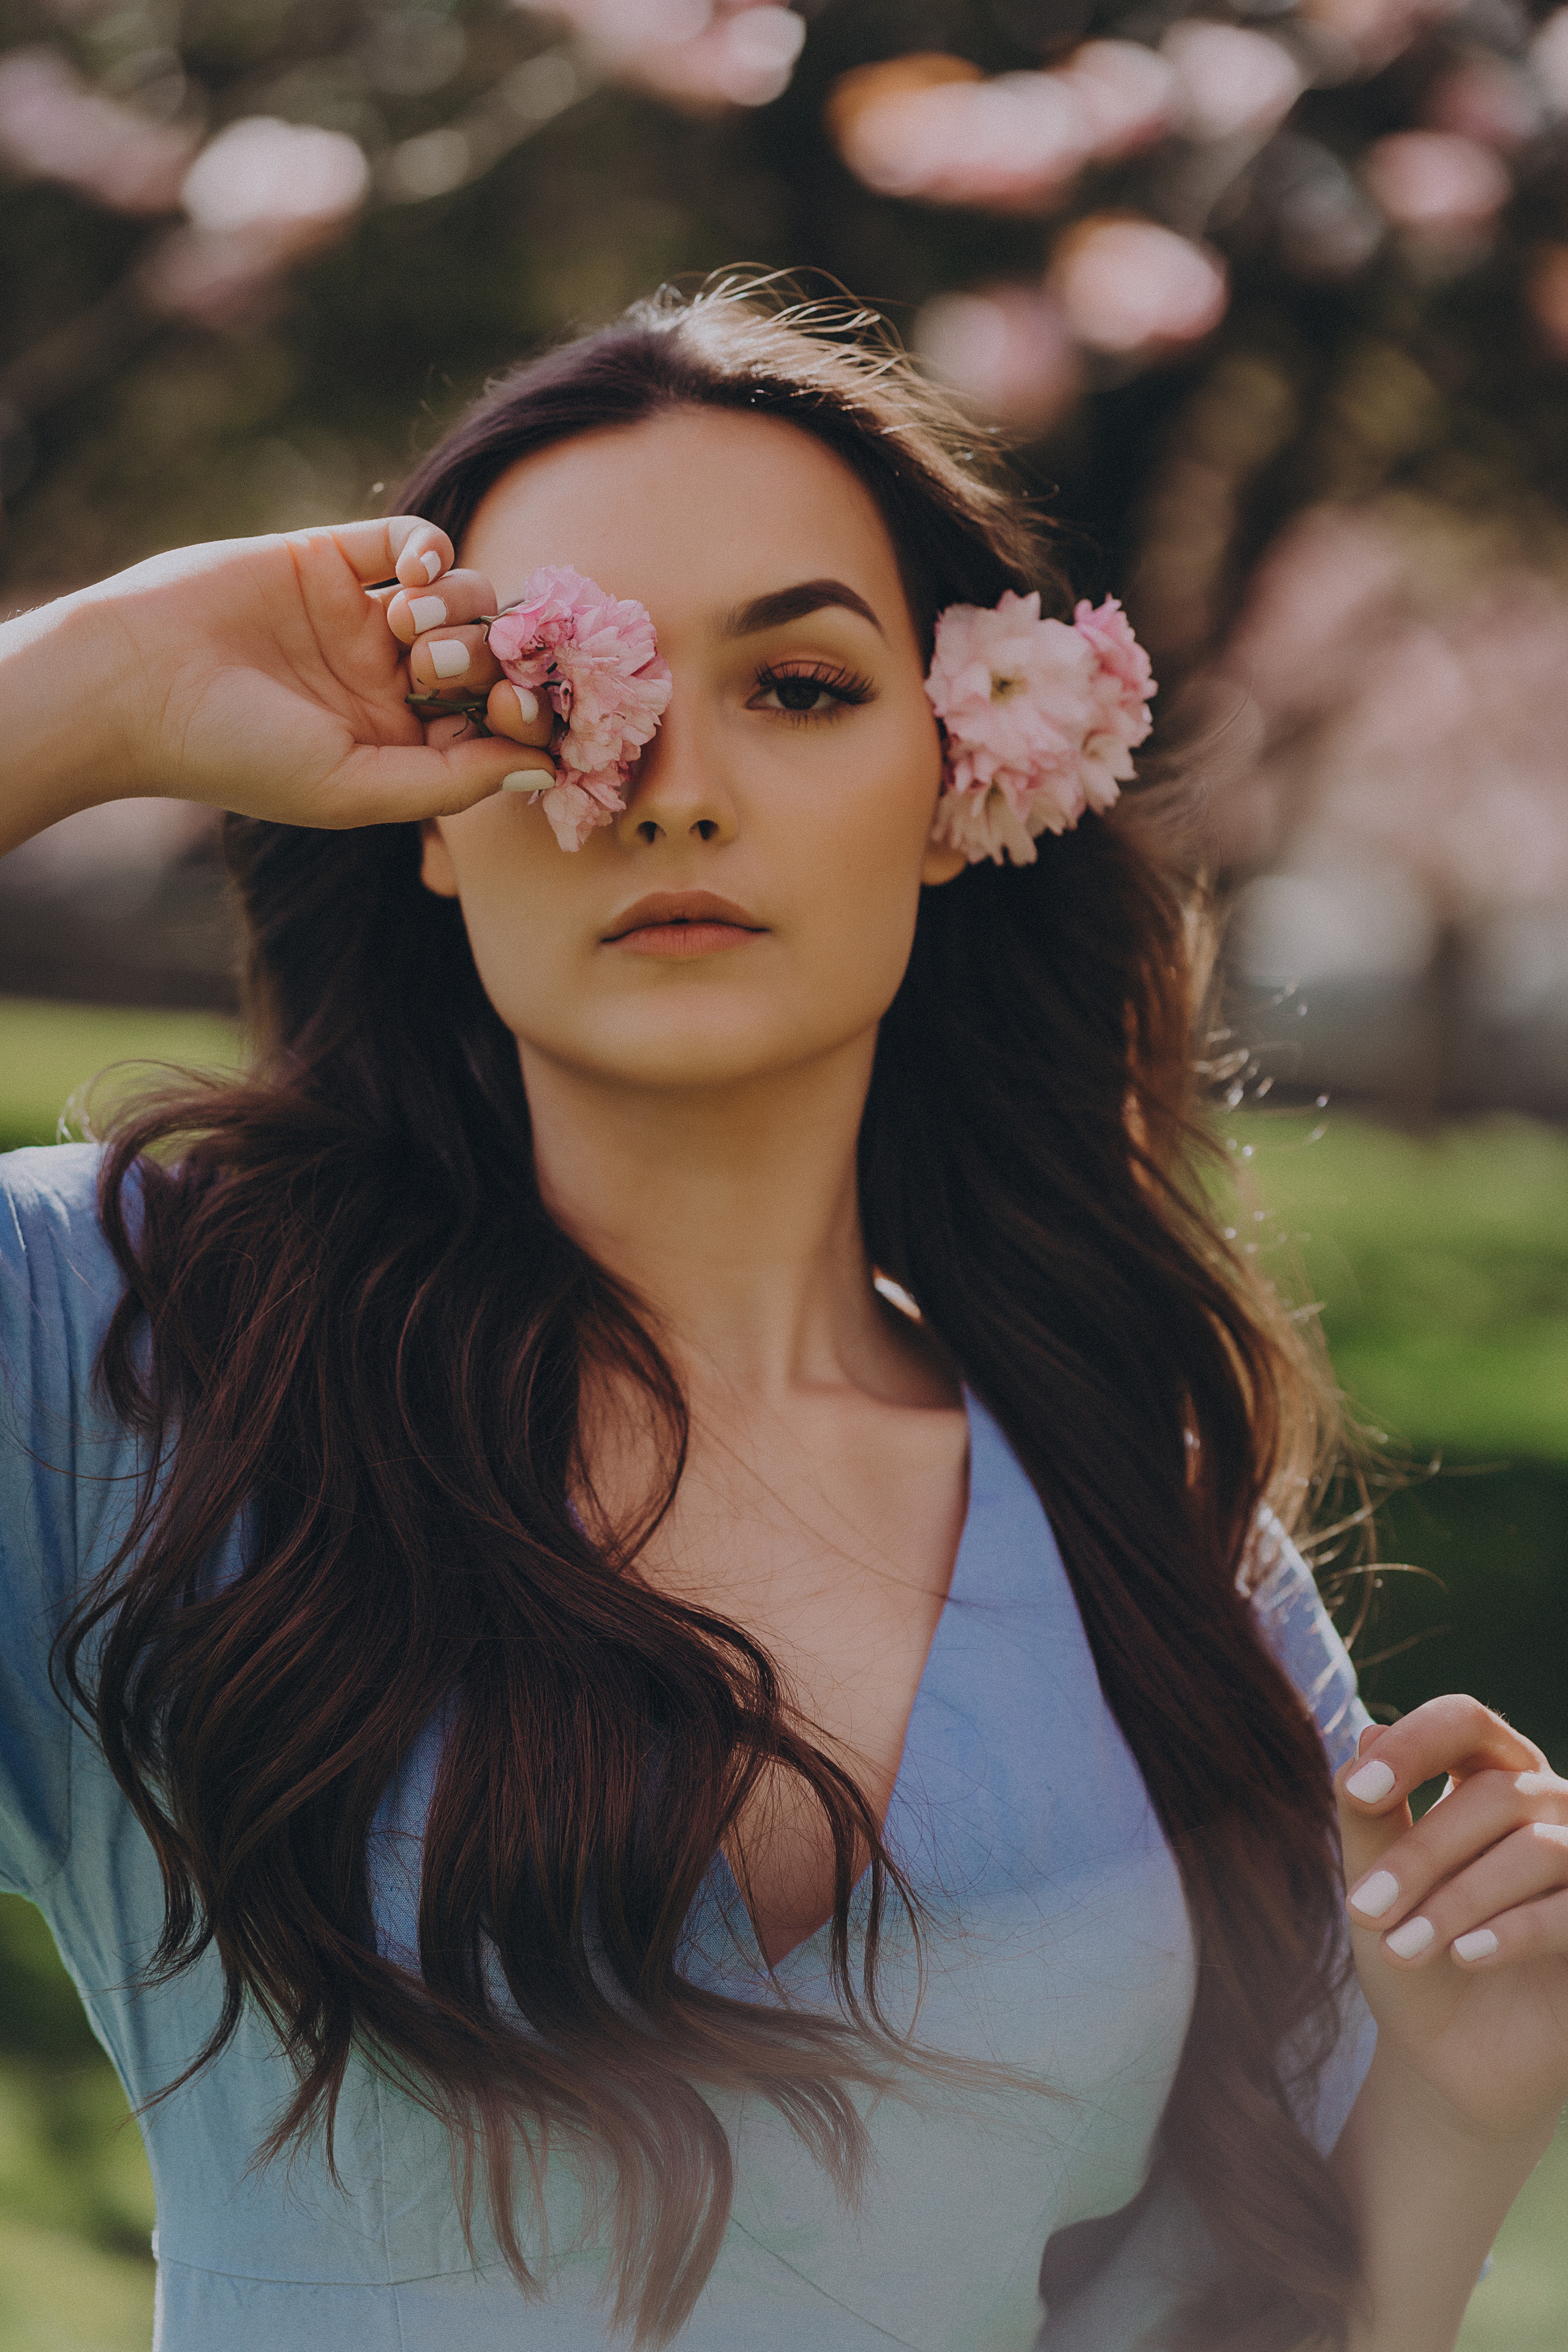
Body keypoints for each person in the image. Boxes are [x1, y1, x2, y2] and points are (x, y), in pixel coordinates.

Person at [1, 284, 1564, 2352]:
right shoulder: (121, 1344)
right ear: (429, 829)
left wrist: (1461, 2109)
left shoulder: (1150, 1526)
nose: (670, 786)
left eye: (804, 685)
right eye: (551, 692)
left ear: (962, 783)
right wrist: (80, 694)